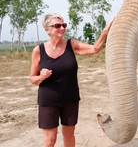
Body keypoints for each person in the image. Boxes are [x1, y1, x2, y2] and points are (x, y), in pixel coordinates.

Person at [29, 13, 115, 147]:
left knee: (69, 135)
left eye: (63, 25)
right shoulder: (39, 50)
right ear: (47, 30)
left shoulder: (71, 45)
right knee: (50, 140)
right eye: (57, 26)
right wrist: (40, 77)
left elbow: (95, 48)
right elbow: (32, 78)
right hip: (48, 102)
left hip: (70, 100)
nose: (62, 28)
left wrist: (105, 32)